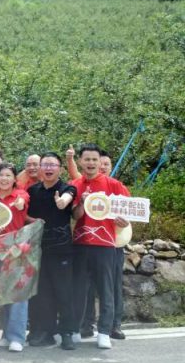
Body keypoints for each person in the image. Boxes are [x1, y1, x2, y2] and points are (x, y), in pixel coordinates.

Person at [71, 144, 130, 349]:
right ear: (80, 161)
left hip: (105, 245)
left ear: (100, 162)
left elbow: (128, 213)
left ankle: (104, 331)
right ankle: (76, 328)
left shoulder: (114, 185)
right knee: (78, 289)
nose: (91, 163)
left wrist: (124, 221)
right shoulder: (74, 185)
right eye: (87, 159)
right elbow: (74, 215)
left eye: (94, 160)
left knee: (106, 290)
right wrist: (81, 203)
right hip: (80, 243)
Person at [26, 153, 78, 350]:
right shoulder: (33, 191)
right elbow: (24, 215)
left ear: (60, 169)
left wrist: (62, 202)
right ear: (40, 168)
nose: (48, 168)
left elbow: (67, 198)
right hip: (38, 248)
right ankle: (45, 332)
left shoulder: (67, 188)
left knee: (64, 292)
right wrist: (32, 220)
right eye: (45, 165)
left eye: (52, 165)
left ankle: (67, 333)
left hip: (61, 249)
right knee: (43, 292)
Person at [0, 163, 32, 353]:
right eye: (1, 175)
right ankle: (7, 335)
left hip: (16, 250)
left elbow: (22, 201)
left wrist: (19, 204)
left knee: (18, 294)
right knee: (3, 294)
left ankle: (17, 337)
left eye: (8, 175)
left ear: (14, 179)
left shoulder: (20, 194)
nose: (4, 179)